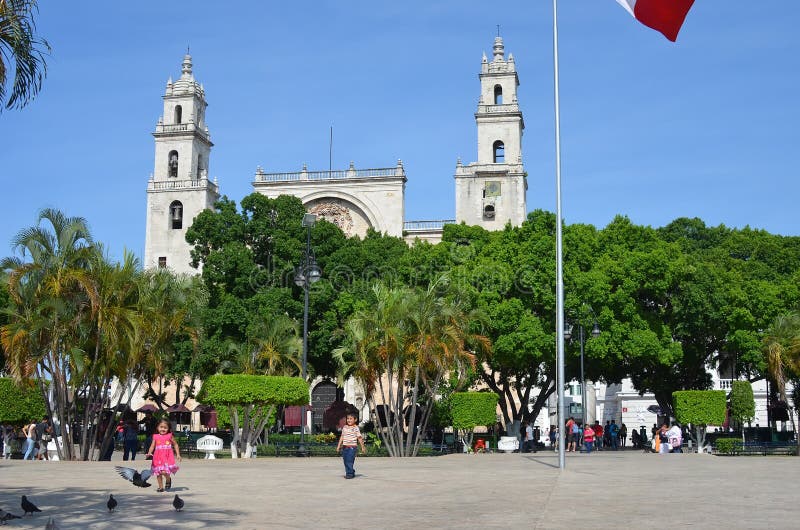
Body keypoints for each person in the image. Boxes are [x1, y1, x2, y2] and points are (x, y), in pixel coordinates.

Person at [146, 419, 181, 492]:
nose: (163, 429)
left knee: (164, 472)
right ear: (157, 427)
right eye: (161, 427)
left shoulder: (169, 436)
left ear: (168, 429)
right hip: (157, 457)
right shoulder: (155, 436)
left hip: (167, 457)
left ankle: (168, 479)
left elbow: (175, 444)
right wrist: (149, 453)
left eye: (165, 427)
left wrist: (178, 454)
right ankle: (161, 487)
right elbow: (152, 446)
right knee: (158, 473)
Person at [336, 413, 366, 479]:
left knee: (349, 461)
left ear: (355, 420)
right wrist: (338, 446)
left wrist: (363, 447)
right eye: (348, 419)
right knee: (345, 461)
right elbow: (342, 437)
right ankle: (351, 471)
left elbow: (359, 438)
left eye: (351, 419)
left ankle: (349, 474)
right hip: (344, 447)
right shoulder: (345, 427)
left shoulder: (356, 428)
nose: (349, 420)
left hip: (352, 448)